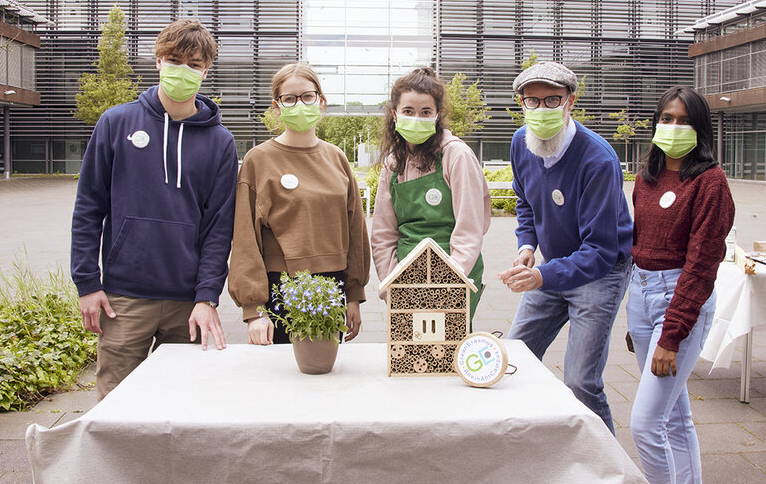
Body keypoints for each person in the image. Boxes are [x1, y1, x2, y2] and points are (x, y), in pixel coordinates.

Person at [71, 20, 238, 400]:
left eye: (194, 64)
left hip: (188, 302)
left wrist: (207, 296)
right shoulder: (116, 122)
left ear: (206, 70)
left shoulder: (221, 142)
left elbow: (218, 228)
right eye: (175, 60)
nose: (184, 70)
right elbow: (88, 208)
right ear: (159, 61)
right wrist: (87, 283)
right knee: (116, 404)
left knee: (181, 404)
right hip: (123, 298)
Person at [500, 61, 633, 433]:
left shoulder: (598, 159)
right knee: (515, 357)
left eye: (552, 100)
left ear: (570, 102)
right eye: (532, 101)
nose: (541, 110)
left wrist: (541, 274)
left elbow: (601, 250)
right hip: (552, 265)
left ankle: (606, 464)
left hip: (601, 271)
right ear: (522, 104)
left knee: (580, 381)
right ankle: (528, 441)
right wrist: (528, 244)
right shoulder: (520, 144)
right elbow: (524, 200)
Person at [626, 86, 734, 483]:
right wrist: (636, 314)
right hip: (641, 297)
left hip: (680, 301)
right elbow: (639, 246)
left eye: (684, 121)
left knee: (645, 424)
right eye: (667, 119)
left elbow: (702, 265)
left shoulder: (710, 182)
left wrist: (671, 334)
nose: (673, 127)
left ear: (700, 128)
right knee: (673, 416)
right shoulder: (646, 178)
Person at [228, 62, 370, 345]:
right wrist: (254, 310)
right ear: (277, 107)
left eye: (307, 96)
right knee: (283, 382)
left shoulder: (337, 158)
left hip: (332, 286)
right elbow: (246, 239)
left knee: (324, 374)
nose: (300, 104)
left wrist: (353, 294)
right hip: (282, 287)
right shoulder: (259, 160)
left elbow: (356, 230)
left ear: (321, 101)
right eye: (289, 99)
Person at [371, 67, 490, 323]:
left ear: (437, 115)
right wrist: (392, 283)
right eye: (408, 111)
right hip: (405, 276)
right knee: (408, 355)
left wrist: (448, 283)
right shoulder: (393, 163)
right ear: (394, 114)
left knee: (447, 351)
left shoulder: (456, 156)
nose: (417, 118)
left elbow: (469, 229)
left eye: (426, 112)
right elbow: (383, 233)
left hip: (456, 272)